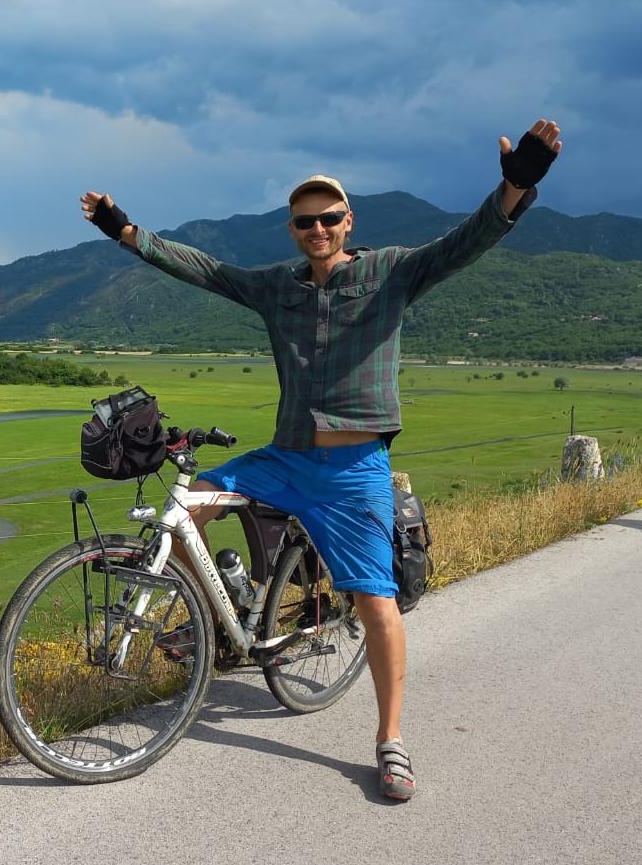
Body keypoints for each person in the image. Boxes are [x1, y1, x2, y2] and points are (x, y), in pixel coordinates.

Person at [80, 119, 562, 800]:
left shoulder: (389, 271)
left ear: (347, 221)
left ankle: (391, 739)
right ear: (293, 229)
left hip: (352, 468)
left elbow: (466, 242)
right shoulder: (278, 286)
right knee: (186, 510)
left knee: (374, 602)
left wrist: (513, 189)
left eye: (329, 218)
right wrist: (125, 231)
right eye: (305, 221)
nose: (318, 229)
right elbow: (205, 269)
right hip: (286, 456)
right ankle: (221, 611)